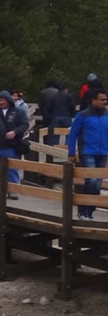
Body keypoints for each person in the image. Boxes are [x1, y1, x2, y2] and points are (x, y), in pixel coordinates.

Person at [69, 89, 108, 220]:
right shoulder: (83, 115)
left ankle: (89, 212)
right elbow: (73, 134)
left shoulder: (106, 115)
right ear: (94, 100)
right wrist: (71, 152)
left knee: (97, 184)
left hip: (103, 153)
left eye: (105, 99)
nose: (105, 102)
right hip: (87, 152)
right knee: (90, 181)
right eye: (102, 100)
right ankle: (82, 211)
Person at [0, 90, 29, 190]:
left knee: (12, 168)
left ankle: (12, 190)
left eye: (3, 100)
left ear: (8, 100)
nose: (1, 102)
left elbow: (25, 124)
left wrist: (15, 132)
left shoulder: (18, 112)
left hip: (11, 145)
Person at [39, 79, 75, 147]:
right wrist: (71, 114)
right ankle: (67, 147)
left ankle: (55, 149)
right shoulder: (69, 96)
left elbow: (48, 107)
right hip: (66, 116)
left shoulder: (54, 97)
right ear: (65, 89)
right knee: (68, 133)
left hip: (56, 116)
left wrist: (51, 114)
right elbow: (72, 106)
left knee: (55, 134)